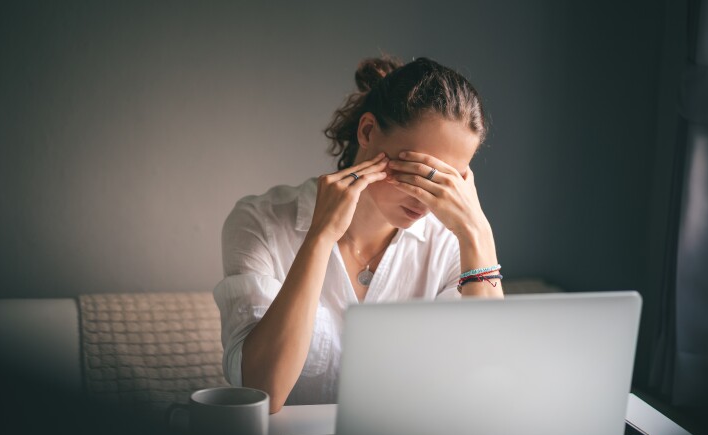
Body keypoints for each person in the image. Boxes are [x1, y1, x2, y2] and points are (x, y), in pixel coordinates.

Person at [214, 55, 503, 414]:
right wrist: (320, 239)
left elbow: (487, 394)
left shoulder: (452, 243)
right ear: (367, 132)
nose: (429, 202)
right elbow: (262, 392)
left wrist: (478, 233)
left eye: (448, 183)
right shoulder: (262, 221)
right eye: (419, 172)